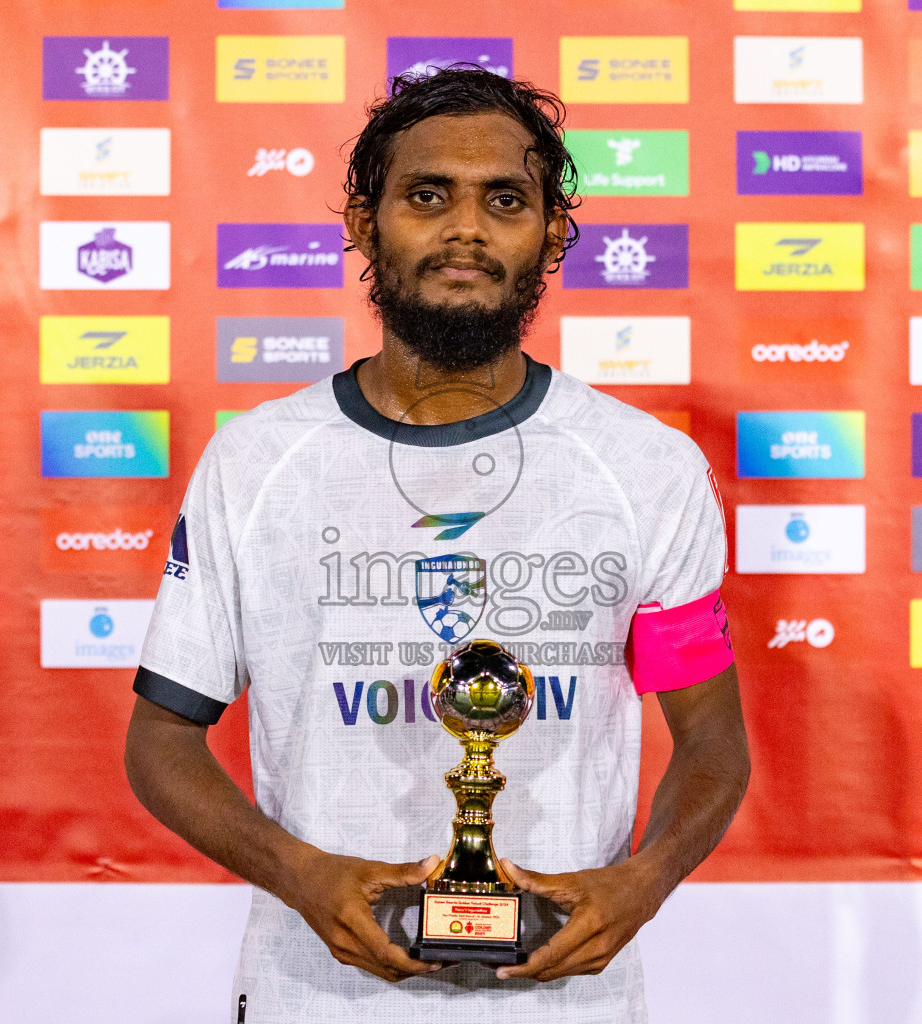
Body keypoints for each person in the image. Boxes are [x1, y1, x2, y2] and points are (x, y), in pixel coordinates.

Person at [123, 67, 751, 1024]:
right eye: (428, 195)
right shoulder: (256, 463)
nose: (467, 229)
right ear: (365, 222)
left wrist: (645, 881)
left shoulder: (646, 468)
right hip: (316, 998)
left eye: (506, 199)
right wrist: (302, 875)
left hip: (564, 1004)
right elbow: (162, 739)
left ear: (551, 231)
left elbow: (712, 740)